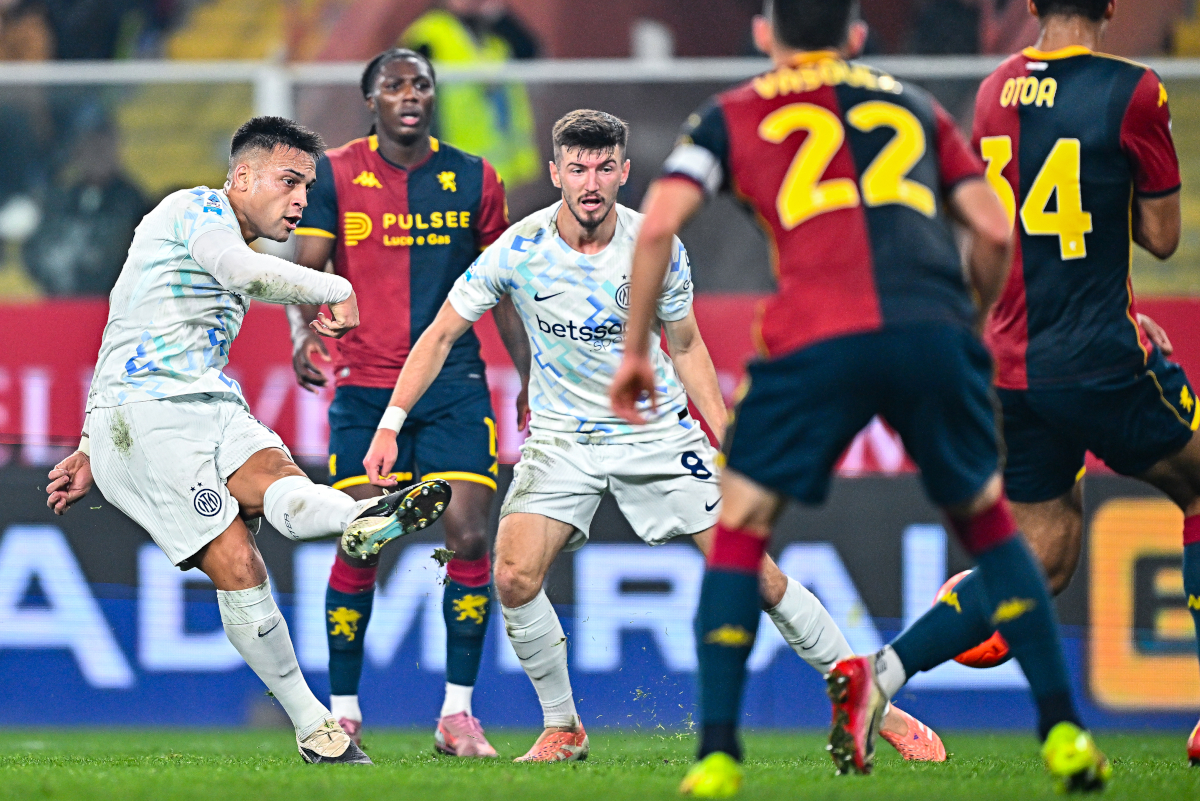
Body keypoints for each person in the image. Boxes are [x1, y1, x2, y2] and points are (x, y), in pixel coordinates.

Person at [611, 1, 1108, 795]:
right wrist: (968, 324)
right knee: (993, 531)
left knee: (738, 532)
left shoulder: (730, 115)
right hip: (932, 333)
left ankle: (716, 754)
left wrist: (637, 351)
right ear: (856, 34)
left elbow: (659, 221)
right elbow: (992, 227)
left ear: (766, 34)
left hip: (816, 337)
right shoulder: (912, 104)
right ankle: (1064, 733)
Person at [363, 108, 947, 765]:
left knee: (757, 574)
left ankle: (875, 701)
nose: (590, 181)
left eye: (604, 166)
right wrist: (391, 422)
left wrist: (725, 434)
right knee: (513, 574)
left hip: (656, 435)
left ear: (624, 171)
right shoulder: (517, 251)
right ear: (555, 172)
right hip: (562, 439)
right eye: (577, 167)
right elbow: (441, 332)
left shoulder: (654, 245)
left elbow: (688, 343)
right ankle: (563, 727)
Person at [44, 115, 450, 765]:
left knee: (280, 482)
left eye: (307, 188)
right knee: (241, 564)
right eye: (288, 182)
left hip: (206, 401)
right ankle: (316, 729)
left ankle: (361, 516)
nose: (300, 201)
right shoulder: (193, 208)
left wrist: (89, 440)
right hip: (144, 414)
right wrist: (332, 286)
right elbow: (241, 273)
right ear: (242, 177)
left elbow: (124, 316)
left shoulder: (232, 239)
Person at [893, 0, 1200, 768]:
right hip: (1098, 357)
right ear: (1113, 7)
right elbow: (1161, 237)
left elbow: (995, 223)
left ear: (1031, 6)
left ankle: (880, 674)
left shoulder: (994, 90)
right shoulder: (1134, 92)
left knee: (1042, 559)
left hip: (1014, 361)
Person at [287, 47, 530, 758]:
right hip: (365, 387)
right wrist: (304, 332)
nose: (410, 94)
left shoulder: (474, 178)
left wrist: (527, 380)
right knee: (361, 536)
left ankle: (457, 714)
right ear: (372, 101)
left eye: (421, 83)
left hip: (454, 385)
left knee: (471, 535)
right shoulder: (333, 173)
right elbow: (307, 270)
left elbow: (503, 289)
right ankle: (344, 712)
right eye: (395, 85)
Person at [401, 0, 541, 190]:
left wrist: (499, 15)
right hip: (447, 162)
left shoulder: (492, 33)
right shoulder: (429, 34)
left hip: (492, 162)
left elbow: (531, 55)